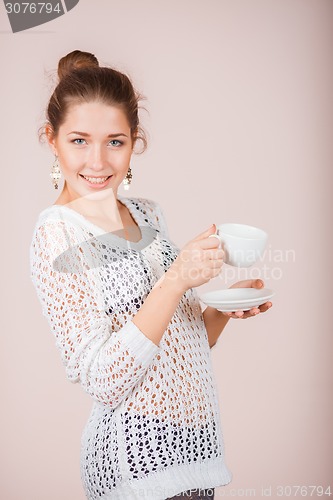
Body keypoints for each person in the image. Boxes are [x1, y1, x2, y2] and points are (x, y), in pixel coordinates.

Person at [30, 50, 272, 500]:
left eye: (115, 141)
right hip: (135, 458)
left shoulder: (146, 213)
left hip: (195, 451)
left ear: (134, 141)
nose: (98, 162)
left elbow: (174, 340)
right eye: (79, 140)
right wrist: (176, 279)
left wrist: (222, 309)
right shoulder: (58, 235)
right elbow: (104, 380)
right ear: (52, 139)